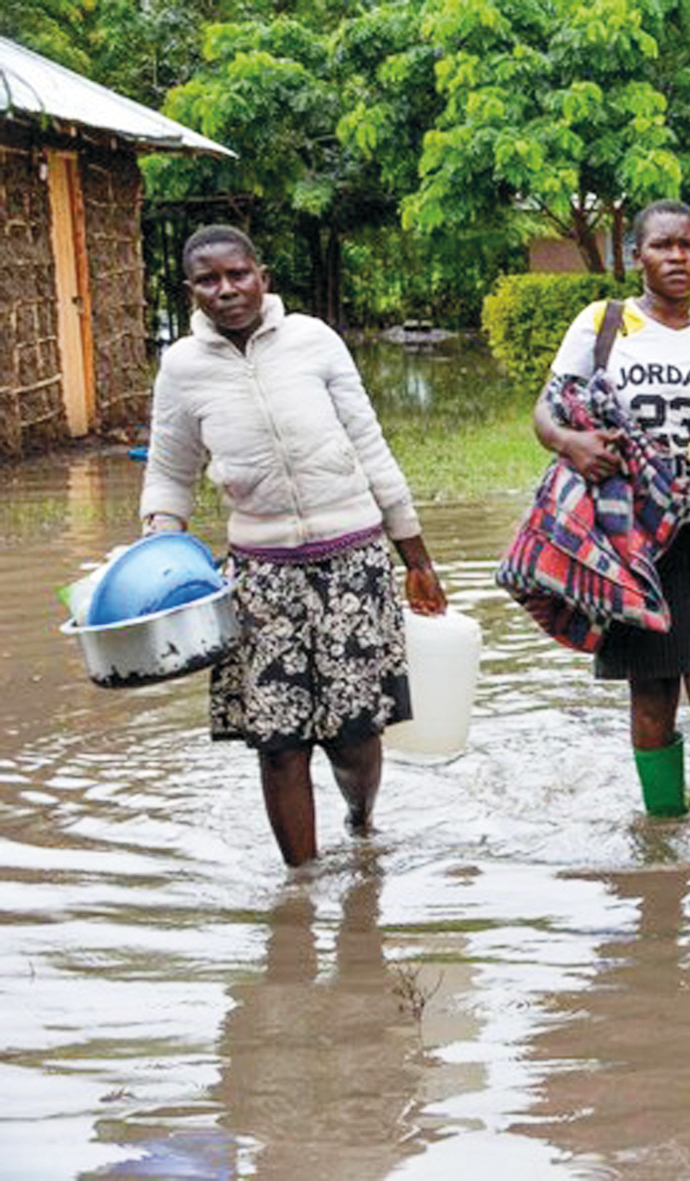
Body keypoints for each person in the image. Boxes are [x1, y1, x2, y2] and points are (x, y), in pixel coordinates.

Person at [140, 225, 447, 869]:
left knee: (356, 736)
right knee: (277, 742)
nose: (226, 290)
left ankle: (361, 820)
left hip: (354, 563)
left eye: (237, 274)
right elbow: (169, 474)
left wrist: (414, 556)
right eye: (208, 280)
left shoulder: (314, 341)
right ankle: (301, 890)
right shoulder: (183, 367)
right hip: (260, 578)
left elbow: (370, 445)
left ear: (262, 275)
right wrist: (155, 561)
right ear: (190, 290)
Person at [535, 200, 690, 818]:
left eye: (688, 245)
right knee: (651, 693)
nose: (676, 257)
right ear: (637, 256)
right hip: (626, 532)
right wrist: (569, 443)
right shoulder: (603, 323)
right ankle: (663, 830)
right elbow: (547, 408)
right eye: (662, 246)